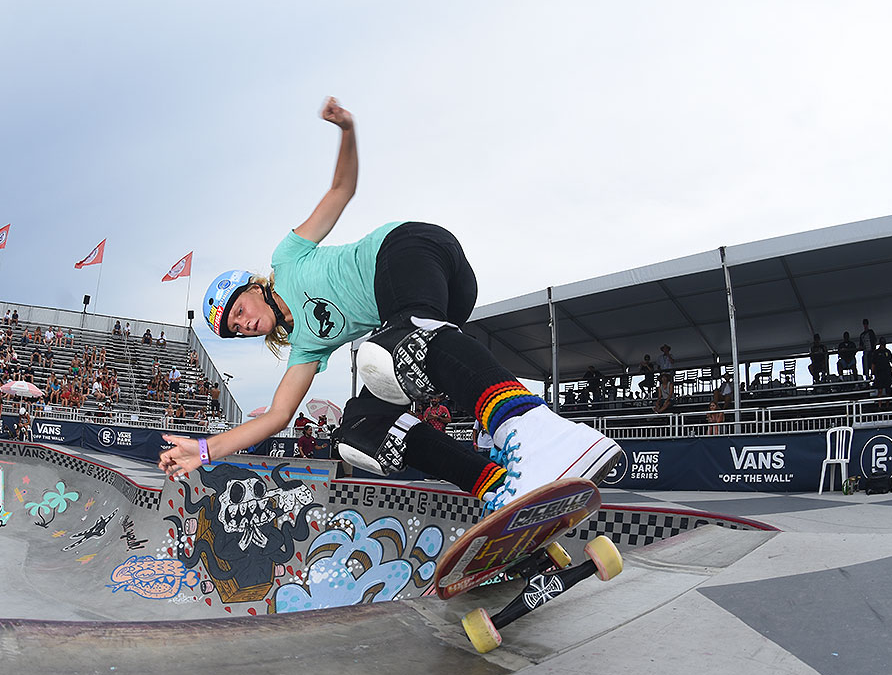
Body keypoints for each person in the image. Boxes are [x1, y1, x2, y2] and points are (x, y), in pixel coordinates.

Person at [159, 96, 621, 511]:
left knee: (394, 347)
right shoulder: (305, 349)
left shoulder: (288, 257)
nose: (245, 324)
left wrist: (347, 131)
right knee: (360, 430)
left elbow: (340, 192)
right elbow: (278, 417)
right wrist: (203, 451)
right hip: (433, 312)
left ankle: (536, 429)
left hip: (409, 251)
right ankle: (498, 485)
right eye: (237, 330)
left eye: (240, 311)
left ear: (254, 288)